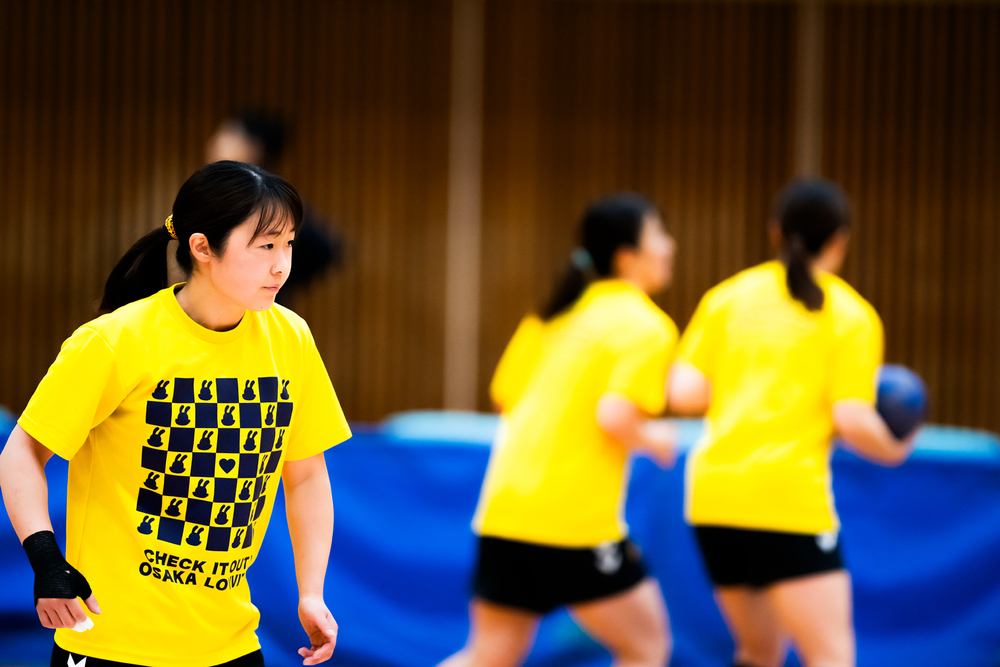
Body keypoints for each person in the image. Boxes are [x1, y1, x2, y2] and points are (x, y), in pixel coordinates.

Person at [0, 161, 351, 667]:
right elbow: (21, 453)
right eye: (265, 246)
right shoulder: (115, 341)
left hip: (230, 646)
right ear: (202, 247)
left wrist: (311, 592)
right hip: (111, 647)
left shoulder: (291, 338)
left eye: (289, 245)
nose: (282, 265)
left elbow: (307, 474)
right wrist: (46, 561)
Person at [669, 179, 918, 667]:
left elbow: (684, 395)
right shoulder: (850, 314)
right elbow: (852, 418)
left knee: (757, 652)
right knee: (830, 655)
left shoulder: (728, 297)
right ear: (840, 240)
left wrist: (747, 379)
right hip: (788, 501)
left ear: (775, 232)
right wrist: (894, 449)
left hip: (714, 499)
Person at [440, 194, 679, 667]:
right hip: (575, 526)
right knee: (646, 648)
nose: (670, 245)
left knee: (488, 655)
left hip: (505, 512)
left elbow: (505, 397)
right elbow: (614, 414)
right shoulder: (647, 326)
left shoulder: (552, 313)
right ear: (626, 256)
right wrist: (658, 440)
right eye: (659, 234)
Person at [205, 112, 344, 307]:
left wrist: (272, 276)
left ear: (253, 147)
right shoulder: (219, 193)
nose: (216, 141)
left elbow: (323, 249)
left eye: (230, 133)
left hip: (254, 312)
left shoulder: (270, 199)